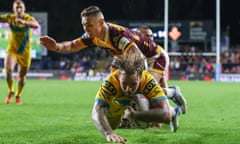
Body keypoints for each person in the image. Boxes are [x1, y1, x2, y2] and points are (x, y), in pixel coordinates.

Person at [40, 5, 186, 113]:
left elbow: (138, 57)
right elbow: (72, 45)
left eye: (89, 25)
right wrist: (56, 47)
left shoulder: (117, 36)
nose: (86, 29)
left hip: (153, 56)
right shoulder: (92, 36)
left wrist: (142, 83)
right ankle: (169, 96)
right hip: (126, 58)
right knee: (123, 89)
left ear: (101, 22)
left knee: (143, 91)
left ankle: (168, 103)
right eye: (84, 25)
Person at [91, 52, 180, 144]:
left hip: (141, 101)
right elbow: (97, 110)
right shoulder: (111, 82)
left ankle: (172, 110)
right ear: (118, 76)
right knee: (111, 125)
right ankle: (170, 100)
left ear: (140, 77)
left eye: (133, 84)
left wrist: (135, 115)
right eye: (124, 84)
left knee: (160, 118)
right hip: (119, 103)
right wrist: (108, 133)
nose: (128, 89)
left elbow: (165, 114)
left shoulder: (147, 80)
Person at [0, 0, 40, 104]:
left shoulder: (28, 18)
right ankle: (11, 91)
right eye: (16, 7)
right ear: (13, 9)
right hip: (12, 50)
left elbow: (36, 25)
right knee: (8, 70)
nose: (18, 9)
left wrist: (24, 22)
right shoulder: (10, 18)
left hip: (25, 52)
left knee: (22, 76)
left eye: (20, 7)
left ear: (24, 9)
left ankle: (18, 95)